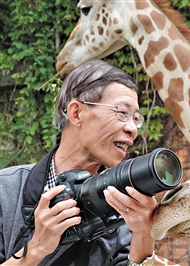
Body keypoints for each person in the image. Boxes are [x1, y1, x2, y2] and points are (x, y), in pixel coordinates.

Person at [0, 60, 157, 265]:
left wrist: (145, 234)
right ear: (76, 113)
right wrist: (37, 247)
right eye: (122, 113)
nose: (133, 129)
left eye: (136, 118)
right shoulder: (5, 190)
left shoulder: (123, 209)